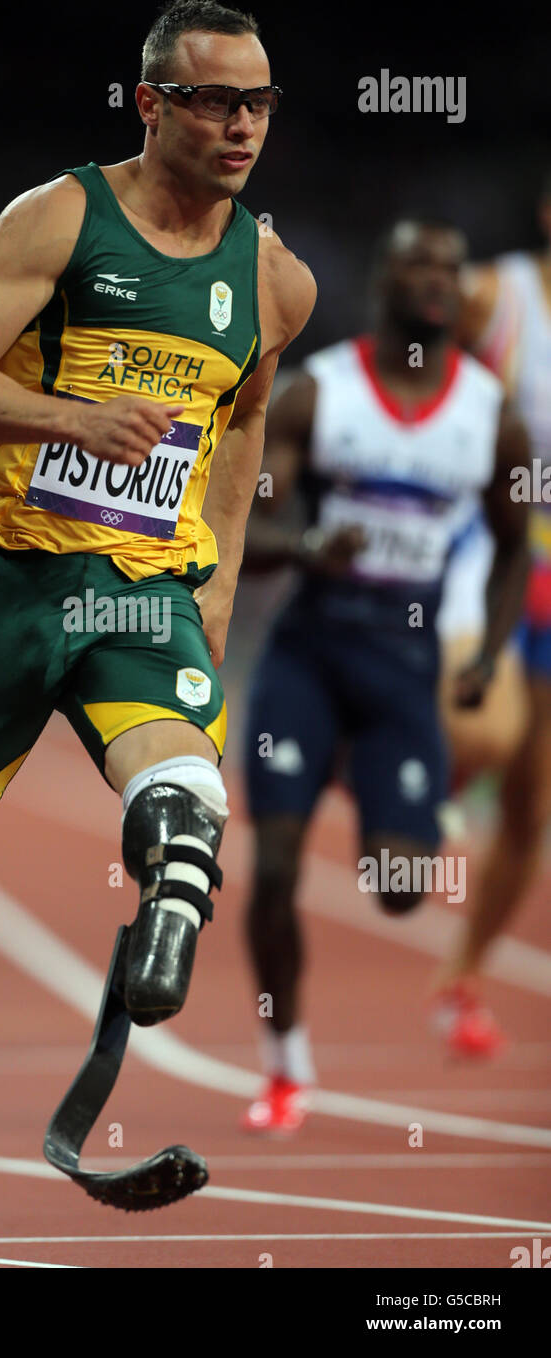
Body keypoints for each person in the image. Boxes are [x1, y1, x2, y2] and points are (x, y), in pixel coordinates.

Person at [0, 0, 316, 1035]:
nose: (243, 126)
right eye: (215, 101)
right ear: (150, 104)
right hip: (6, 582)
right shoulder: (57, 218)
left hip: (141, 592)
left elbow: (240, 439)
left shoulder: (276, 284)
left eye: (261, 104)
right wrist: (74, 420)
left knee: (188, 793)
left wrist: (219, 595)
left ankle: (170, 916)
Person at [239, 220, 530, 1133]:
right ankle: (285, 1062)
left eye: (450, 265)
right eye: (417, 263)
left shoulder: (492, 415)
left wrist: (487, 647)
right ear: (384, 279)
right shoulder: (318, 395)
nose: (437, 279)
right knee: (277, 872)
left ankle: (350, 767)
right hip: (311, 656)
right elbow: (248, 539)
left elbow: (515, 548)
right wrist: (311, 545)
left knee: (403, 890)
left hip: (405, 669)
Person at [430, 175, 551, 1054]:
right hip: (487, 547)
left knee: (530, 806)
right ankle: (400, 786)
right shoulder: (494, 295)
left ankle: (463, 975)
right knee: (482, 733)